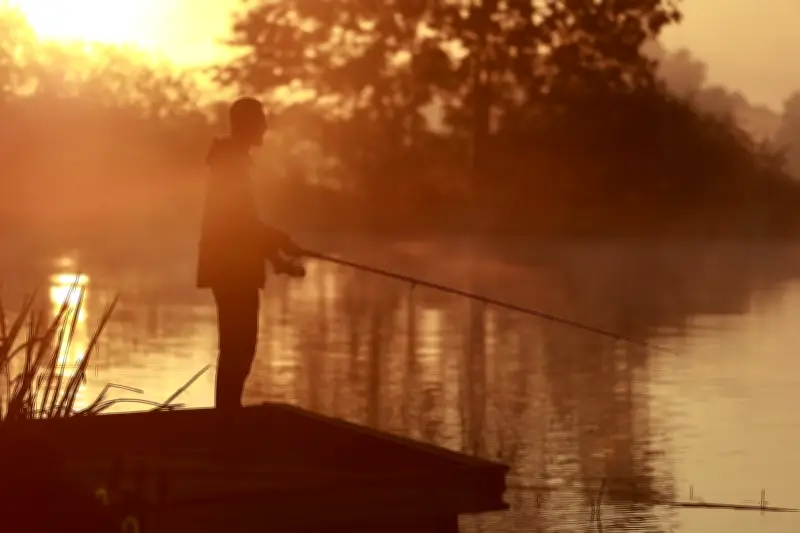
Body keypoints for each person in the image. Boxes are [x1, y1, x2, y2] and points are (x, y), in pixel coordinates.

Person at [197, 96, 306, 409]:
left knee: (240, 347)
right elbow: (241, 222)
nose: (266, 126)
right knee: (238, 347)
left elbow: (245, 226)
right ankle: (227, 418)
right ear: (246, 124)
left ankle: (228, 414)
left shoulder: (234, 160)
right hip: (231, 269)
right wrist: (282, 241)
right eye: (261, 120)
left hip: (236, 267)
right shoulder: (230, 163)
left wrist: (278, 260)